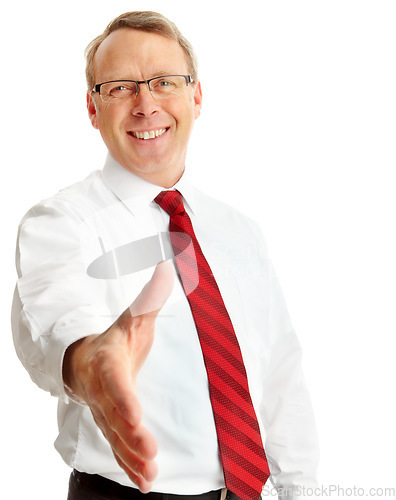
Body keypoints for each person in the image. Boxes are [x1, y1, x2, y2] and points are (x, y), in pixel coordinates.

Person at [11, 11, 319, 500]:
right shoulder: (61, 223)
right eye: (119, 88)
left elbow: (280, 374)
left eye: (165, 82)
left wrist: (302, 491)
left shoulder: (239, 231)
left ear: (196, 97)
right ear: (92, 110)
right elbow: (56, 315)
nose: (146, 104)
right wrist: (89, 363)